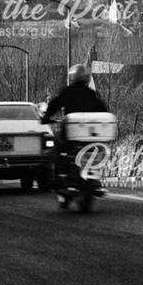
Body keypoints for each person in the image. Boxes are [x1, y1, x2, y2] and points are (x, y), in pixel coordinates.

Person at [42, 64, 109, 196]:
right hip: (90, 134)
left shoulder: (68, 92)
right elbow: (103, 109)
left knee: (57, 148)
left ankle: (58, 177)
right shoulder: (91, 93)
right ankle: (94, 181)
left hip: (72, 133)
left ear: (72, 77)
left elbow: (54, 104)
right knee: (95, 151)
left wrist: (46, 117)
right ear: (85, 78)